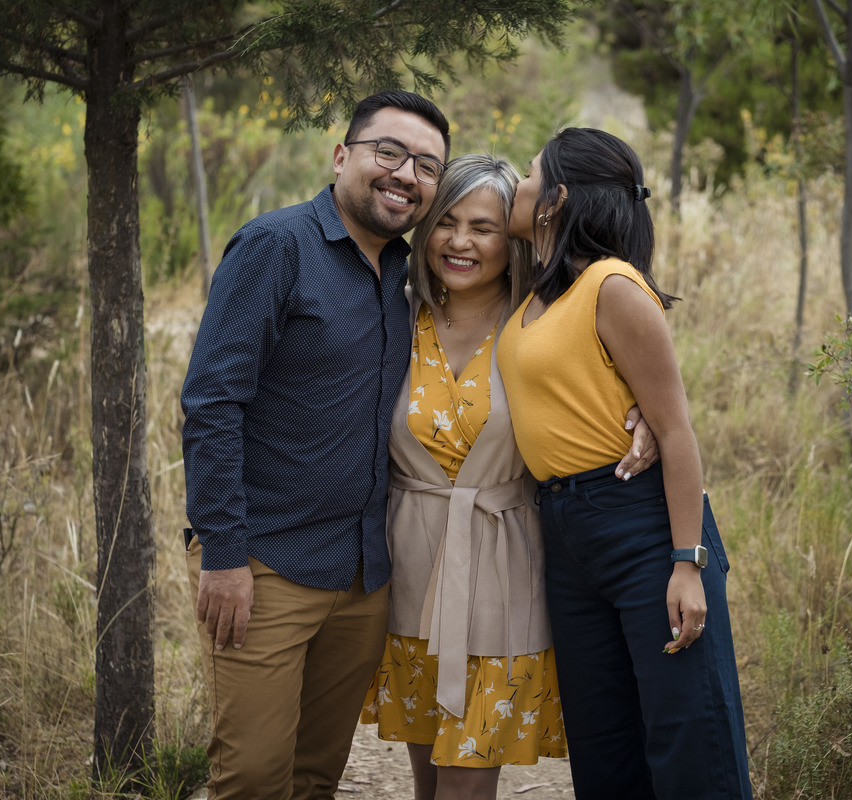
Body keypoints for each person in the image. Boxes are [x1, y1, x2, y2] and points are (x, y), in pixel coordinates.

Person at [359, 153, 658, 800]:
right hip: (408, 571)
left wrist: (648, 418)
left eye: (485, 227)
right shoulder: (395, 315)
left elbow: (630, 370)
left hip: (502, 568)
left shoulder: (544, 322)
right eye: (447, 222)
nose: (460, 242)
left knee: (467, 785)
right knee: (427, 784)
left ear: (515, 236)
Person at [180, 90, 450, 800]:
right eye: (388, 153)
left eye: (426, 165)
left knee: (313, 777)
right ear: (342, 156)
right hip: (265, 566)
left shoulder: (410, 272)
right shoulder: (277, 246)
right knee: (253, 778)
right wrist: (225, 555)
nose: (405, 174)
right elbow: (211, 403)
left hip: (363, 575)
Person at [497, 128, 754, 799]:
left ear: (554, 198)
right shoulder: (532, 298)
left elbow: (675, 430)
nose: (514, 190)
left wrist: (686, 563)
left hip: (640, 525)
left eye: (527, 177)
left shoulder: (612, 284)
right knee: (603, 744)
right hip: (564, 530)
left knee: (689, 737)